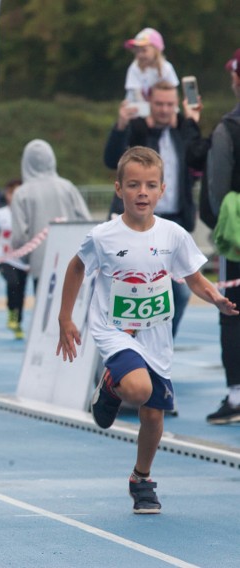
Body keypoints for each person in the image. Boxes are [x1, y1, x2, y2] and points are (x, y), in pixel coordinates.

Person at [56, 147, 237, 514]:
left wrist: (215, 297)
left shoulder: (173, 234)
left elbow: (193, 277)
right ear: (118, 188)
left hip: (157, 334)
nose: (142, 192)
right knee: (139, 389)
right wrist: (66, 318)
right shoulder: (104, 235)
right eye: (134, 184)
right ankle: (111, 384)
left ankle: (141, 478)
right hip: (115, 331)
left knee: (153, 416)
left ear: (162, 190)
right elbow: (76, 268)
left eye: (150, 185)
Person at [103, 80, 203, 337]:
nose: (164, 109)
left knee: (179, 293)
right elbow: (110, 159)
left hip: (173, 223)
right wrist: (121, 125)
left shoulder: (183, 129)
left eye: (170, 104)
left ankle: (161, 342)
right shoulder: (138, 128)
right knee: (128, 292)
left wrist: (192, 122)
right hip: (136, 222)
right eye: (159, 103)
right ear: (149, 103)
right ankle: (122, 349)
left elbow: (199, 159)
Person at [203, 48, 240, 425]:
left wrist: (220, 227)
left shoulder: (228, 129)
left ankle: (236, 395)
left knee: (232, 312)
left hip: (237, 238)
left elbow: (216, 190)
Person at [11, 140, 91, 291]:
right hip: (72, 258)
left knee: (45, 309)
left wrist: (25, 256)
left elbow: (20, 236)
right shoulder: (67, 187)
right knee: (71, 309)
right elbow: (86, 222)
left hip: (41, 263)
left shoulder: (22, 193)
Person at [0, 179, 29, 339]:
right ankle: (11, 311)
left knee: (21, 289)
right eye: (11, 193)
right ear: (7, 195)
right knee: (12, 282)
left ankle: (18, 322)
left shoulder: (28, 213)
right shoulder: (0, 214)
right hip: (3, 257)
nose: (14, 196)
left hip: (23, 258)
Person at [123, 28, 179, 112]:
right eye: (137, 51)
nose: (140, 54)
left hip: (162, 108)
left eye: (144, 50)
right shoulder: (135, 67)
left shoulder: (166, 68)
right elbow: (136, 93)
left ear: (156, 50)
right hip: (138, 108)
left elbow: (173, 91)